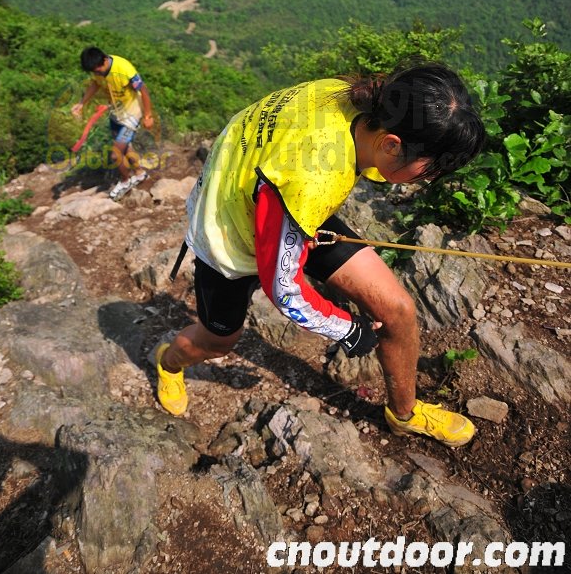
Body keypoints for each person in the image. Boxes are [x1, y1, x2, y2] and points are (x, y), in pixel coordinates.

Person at [156, 63, 485, 447]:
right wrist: (347, 330)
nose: (428, 178)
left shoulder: (348, 98)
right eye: (430, 168)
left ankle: (405, 415)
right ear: (392, 144)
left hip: (284, 206)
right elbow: (282, 288)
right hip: (227, 235)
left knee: (397, 310)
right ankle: (167, 362)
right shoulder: (314, 178)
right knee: (216, 342)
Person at [72, 46, 154, 199]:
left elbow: (144, 90)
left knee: (116, 154)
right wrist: (82, 103)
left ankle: (125, 181)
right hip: (116, 111)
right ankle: (139, 173)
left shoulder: (123, 68)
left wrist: (148, 115)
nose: (97, 73)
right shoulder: (98, 70)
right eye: (94, 72)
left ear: (104, 60)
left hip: (132, 112)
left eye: (98, 70)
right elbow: (95, 84)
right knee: (125, 146)